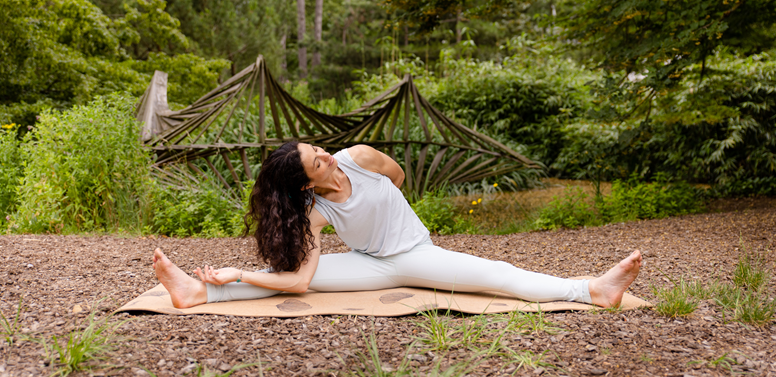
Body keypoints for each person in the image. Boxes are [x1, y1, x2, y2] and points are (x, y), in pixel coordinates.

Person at [153, 142, 643, 309]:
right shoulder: (314, 214)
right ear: (305, 186)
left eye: (317, 149)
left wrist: (393, 211)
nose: (325, 156)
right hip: (371, 265)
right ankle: (200, 295)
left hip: (418, 254)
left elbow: (398, 176)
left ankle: (591, 291)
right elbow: (300, 282)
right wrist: (236, 274)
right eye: (315, 163)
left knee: (497, 274)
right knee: (280, 283)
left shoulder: (360, 158)